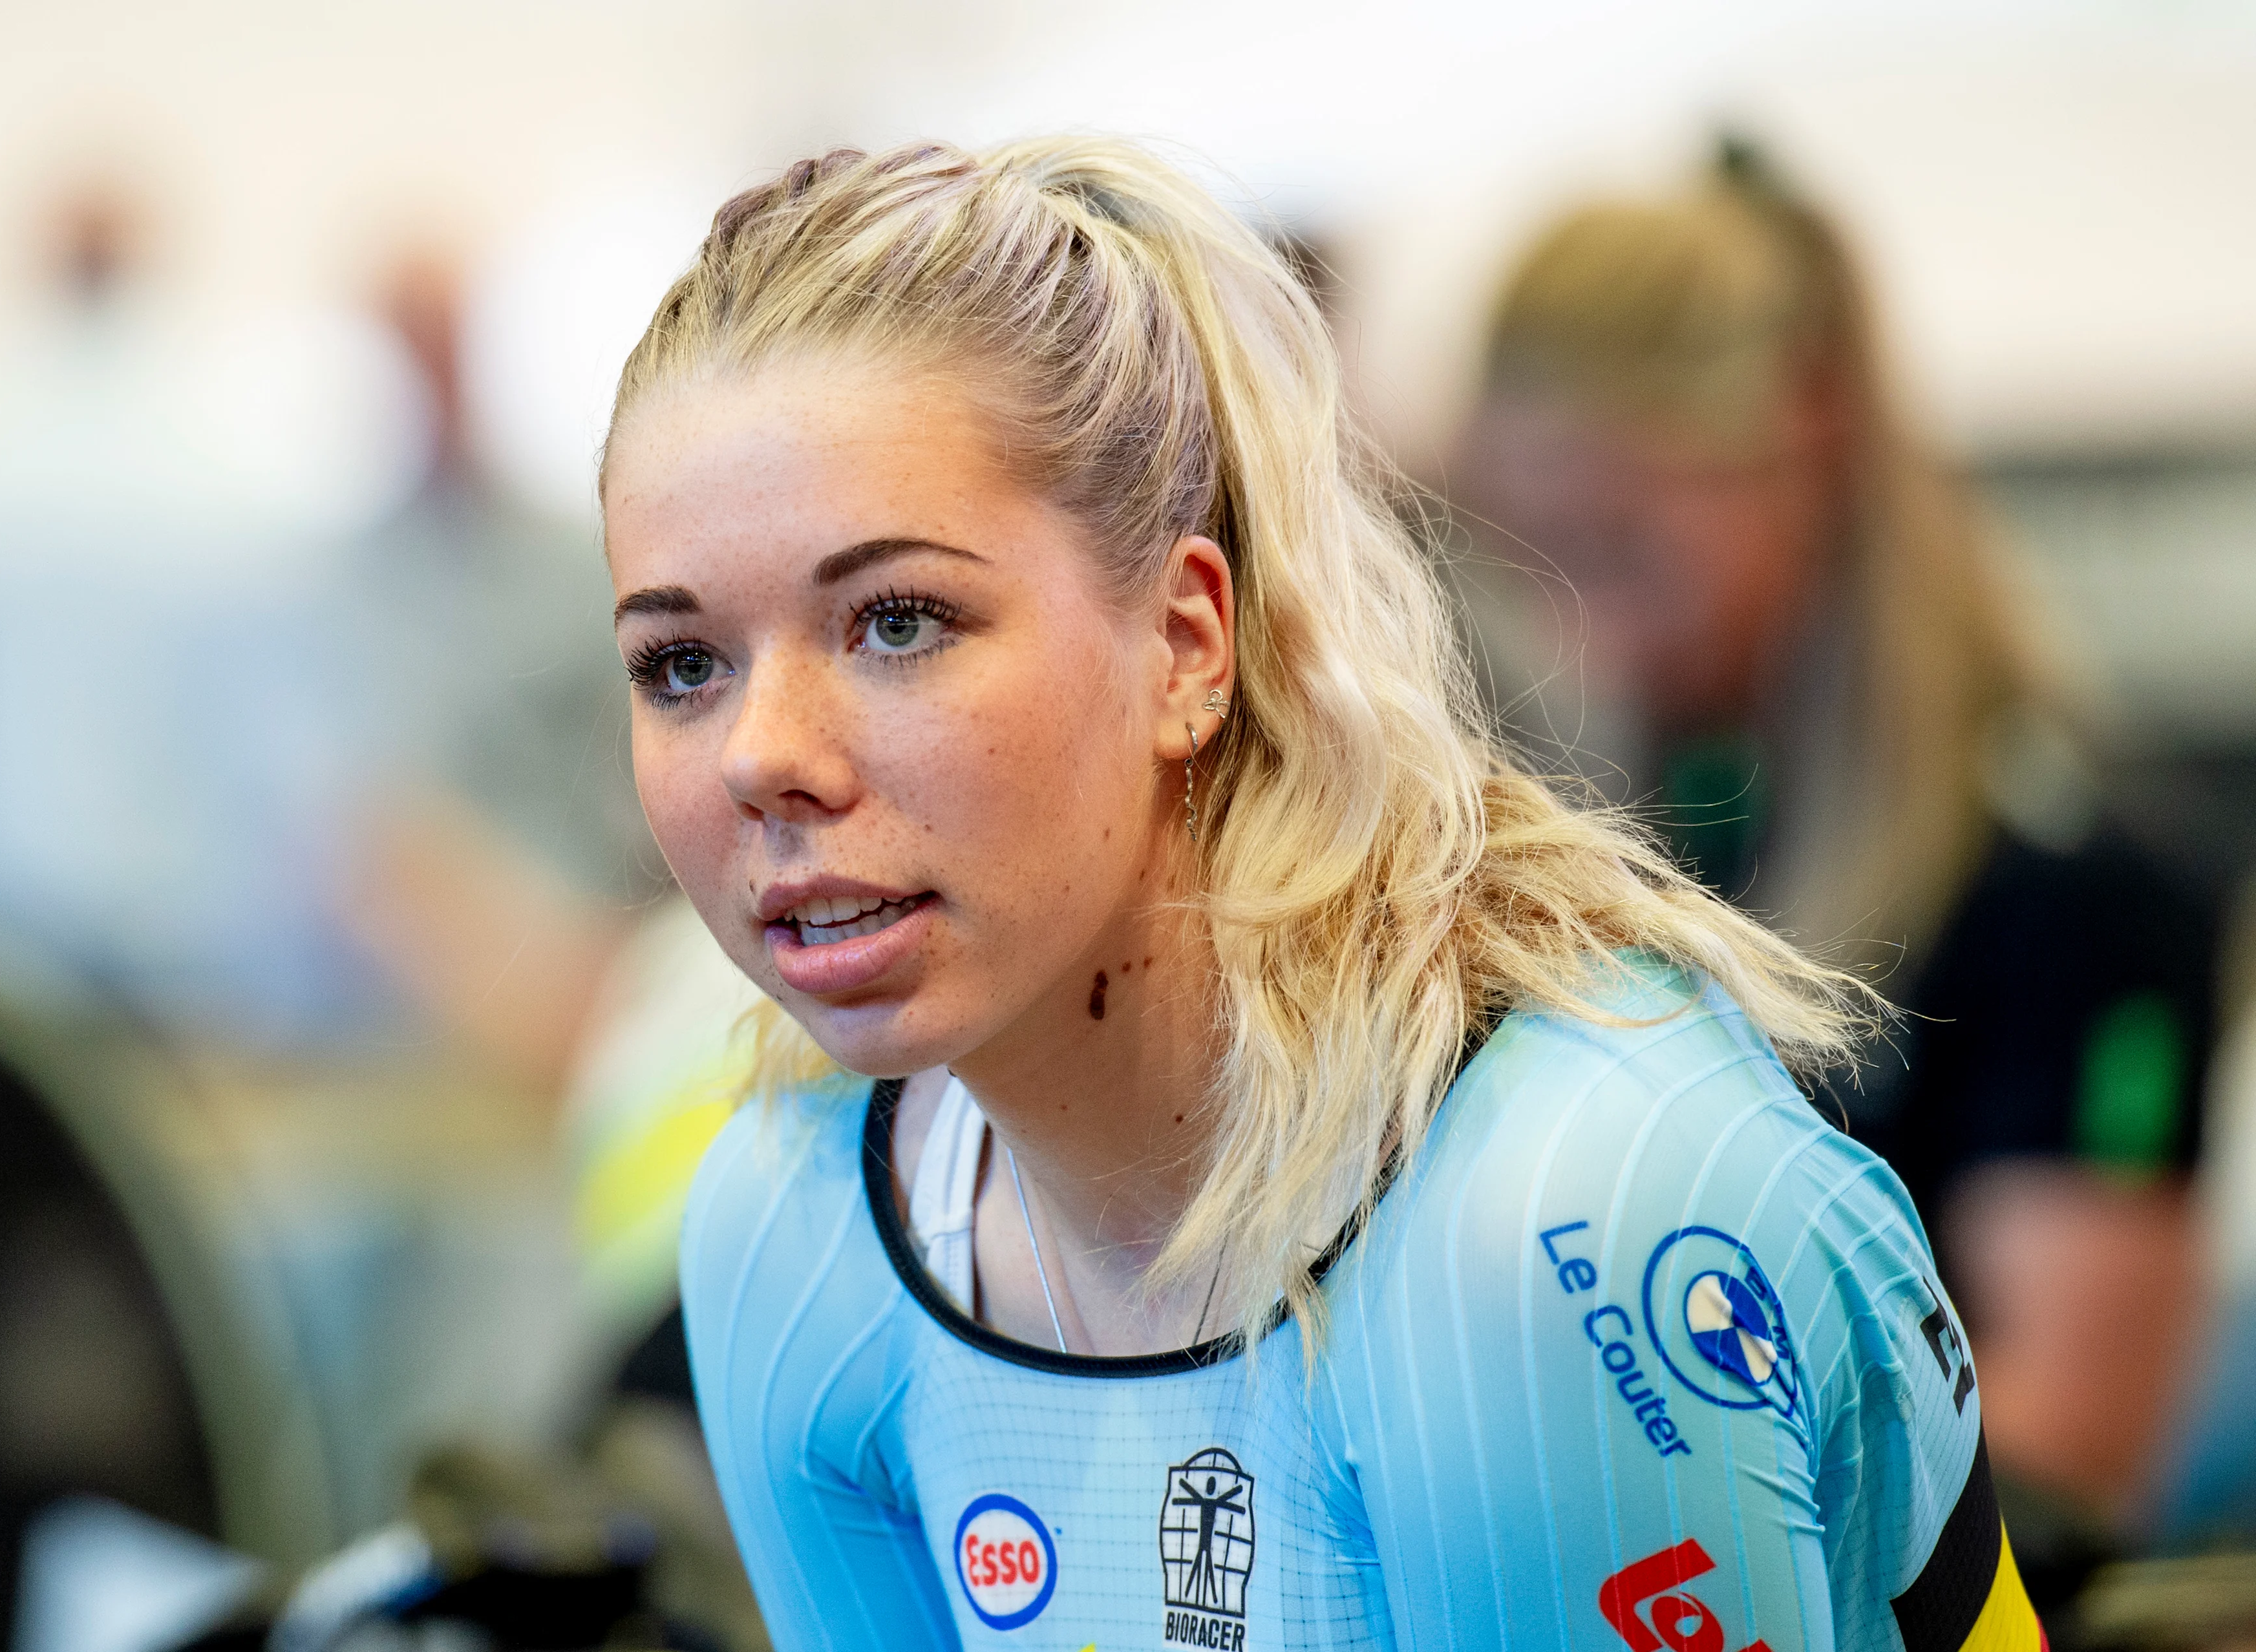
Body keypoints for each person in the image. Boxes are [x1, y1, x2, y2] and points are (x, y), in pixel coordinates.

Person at [606, 139, 2043, 1650]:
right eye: (680, 664)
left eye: (897, 622)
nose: (764, 756)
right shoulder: (796, 1229)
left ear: (1184, 645)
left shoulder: (1542, 1240)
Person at [1456, 142, 2219, 1559]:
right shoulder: (1673, 840)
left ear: (1804, 437)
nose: (1591, 633)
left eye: (1626, 547)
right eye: (1541, 559)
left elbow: (2068, 1451)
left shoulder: (2079, 898)